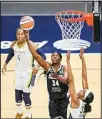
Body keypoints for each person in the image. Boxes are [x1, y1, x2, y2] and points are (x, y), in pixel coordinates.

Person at [2, 27, 46, 119]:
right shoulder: (14, 44)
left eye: (22, 34)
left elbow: (43, 56)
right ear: (16, 35)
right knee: (17, 92)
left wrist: (37, 67)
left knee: (26, 94)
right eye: (18, 34)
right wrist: (5, 64)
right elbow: (11, 53)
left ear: (26, 35)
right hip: (18, 71)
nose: (20, 36)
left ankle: (28, 114)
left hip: (29, 72)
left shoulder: (31, 45)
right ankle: (19, 112)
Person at [25, 39, 70, 119]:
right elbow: (36, 56)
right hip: (53, 102)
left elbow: (66, 80)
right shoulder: (48, 67)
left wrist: (57, 76)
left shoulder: (64, 68)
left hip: (64, 102)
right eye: (53, 55)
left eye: (56, 55)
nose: (54, 56)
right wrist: (28, 41)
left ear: (60, 59)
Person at [66, 48, 94, 118]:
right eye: (84, 90)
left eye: (83, 92)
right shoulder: (85, 99)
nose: (82, 89)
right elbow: (84, 77)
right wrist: (83, 59)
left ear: (83, 98)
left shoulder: (76, 101)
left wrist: (68, 61)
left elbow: (71, 80)